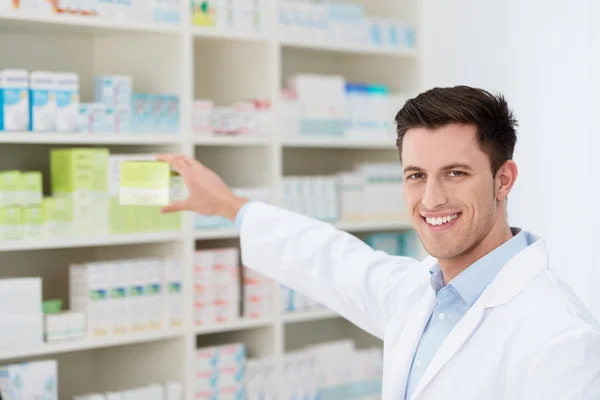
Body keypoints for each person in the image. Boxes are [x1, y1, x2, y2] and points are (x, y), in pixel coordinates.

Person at [158, 86, 600, 399]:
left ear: (503, 180)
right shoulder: (420, 295)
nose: (431, 199)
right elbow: (330, 260)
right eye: (416, 176)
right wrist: (228, 205)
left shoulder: (559, 336)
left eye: (455, 173)